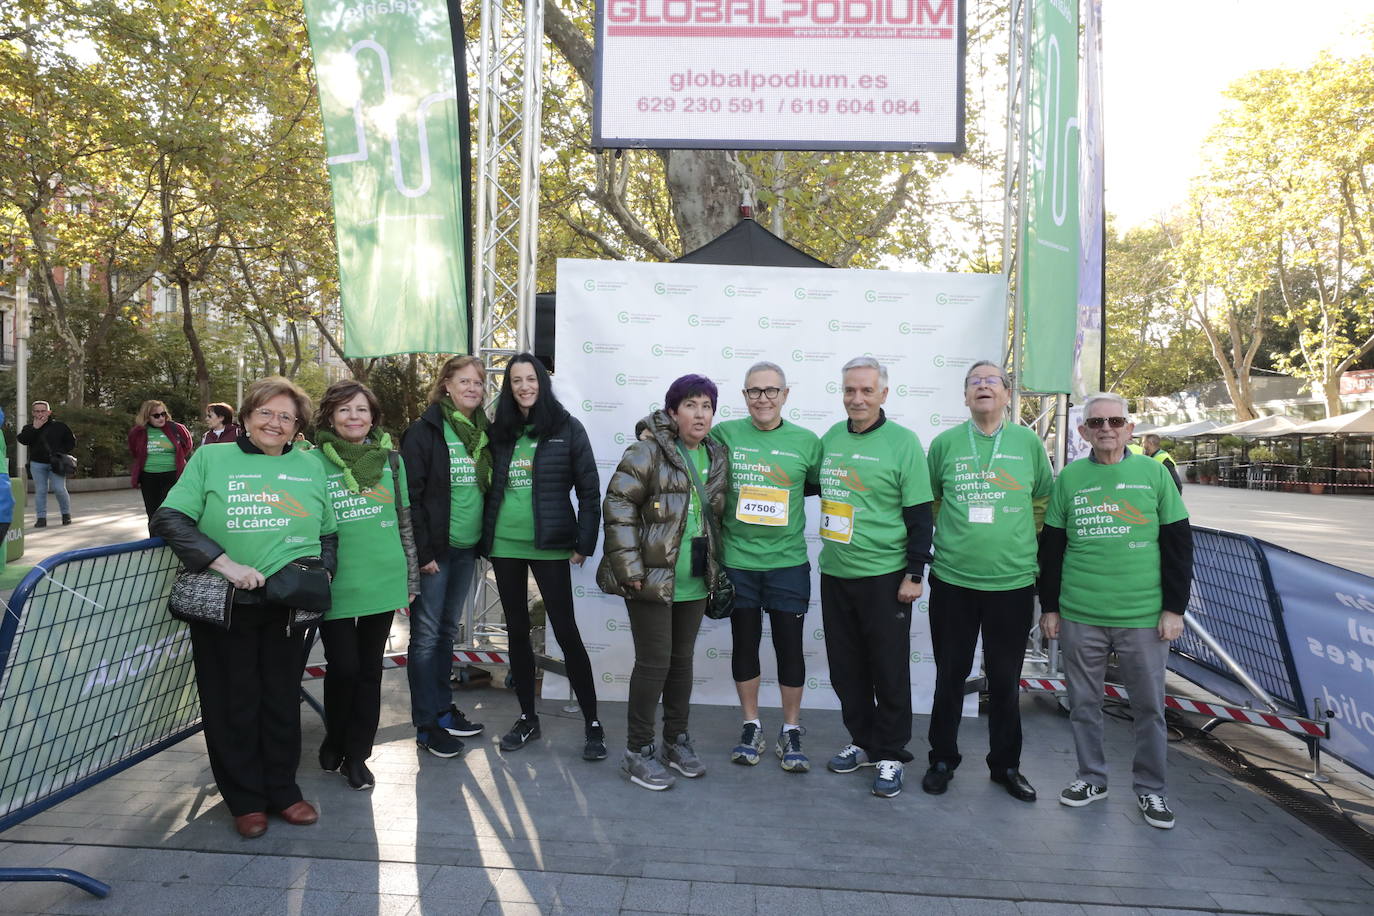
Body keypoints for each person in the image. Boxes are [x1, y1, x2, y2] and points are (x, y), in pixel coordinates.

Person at [150, 376, 338, 839]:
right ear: (247, 416)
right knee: (232, 701)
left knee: (279, 698)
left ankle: (283, 791)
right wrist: (226, 564)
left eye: (286, 416)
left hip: (288, 606)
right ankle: (245, 799)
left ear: (298, 427)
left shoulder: (311, 466)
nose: (275, 423)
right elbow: (170, 518)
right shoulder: (213, 458)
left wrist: (321, 574)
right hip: (226, 601)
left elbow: (329, 532)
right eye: (266, 413)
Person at [1039, 392, 1193, 830]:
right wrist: (1050, 607)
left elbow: (1179, 545)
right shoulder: (1068, 478)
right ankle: (1091, 778)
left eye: (1115, 420)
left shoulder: (1153, 473)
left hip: (1144, 617)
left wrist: (1173, 609)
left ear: (1130, 428)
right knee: (1083, 704)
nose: (1106, 428)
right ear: (1084, 431)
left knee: (1149, 709)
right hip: (1079, 613)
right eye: (1096, 422)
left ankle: (1151, 791)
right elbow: (1052, 547)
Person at [921, 361, 1053, 802]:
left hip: (1012, 584)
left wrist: (1012, 542)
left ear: (1007, 394)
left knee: (1004, 679)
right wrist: (963, 538)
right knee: (950, 676)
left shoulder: (1028, 442)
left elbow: (1042, 503)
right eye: (974, 382)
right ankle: (942, 759)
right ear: (964, 396)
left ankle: (1006, 766)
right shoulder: (945, 444)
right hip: (953, 581)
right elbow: (933, 502)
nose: (983, 387)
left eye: (991, 381)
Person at [597, 374, 728, 791]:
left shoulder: (716, 454)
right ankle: (638, 750)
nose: (700, 413)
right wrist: (630, 570)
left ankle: (676, 741)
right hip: (649, 580)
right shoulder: (647, 450)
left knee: (682, 663)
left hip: (693, 578)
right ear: (672, 412)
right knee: (654, 665)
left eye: (707, 405)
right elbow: (618, 506)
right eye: (691, 405)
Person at [480, 354, 604, 760]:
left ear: (542, 382)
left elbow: (589, 490)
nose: (523, 386)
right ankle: (528, 718)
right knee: (516, 631)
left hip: (549, 545)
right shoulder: (499, 431)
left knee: (565, 630)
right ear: (509, 386)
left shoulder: (567, 428)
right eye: (516, 380)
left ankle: (593, 723)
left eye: (530, 378)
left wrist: (584, 543)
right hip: (504, 545)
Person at [818, 357, 933, 799]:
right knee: (847, 668)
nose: (857, 398)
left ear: (883, 394)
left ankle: (890, 752)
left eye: (866, 390)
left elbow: (920, 518)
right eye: (850, 390)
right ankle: (863, 742)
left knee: (888, 668)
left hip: (886, 577)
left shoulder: (903, 443)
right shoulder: (830, 437)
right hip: (836, 572)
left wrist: (914, 572)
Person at [711, 361, 822, 772]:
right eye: (755, 391)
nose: (763, 398)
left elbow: (820, 484)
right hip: (738, 562)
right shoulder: (724, 435)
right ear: (744, 396)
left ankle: (791, 729)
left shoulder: (808, 442)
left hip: (788, 563)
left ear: (786, 395)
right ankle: (751, 724)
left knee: (789, 648)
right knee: (745, 644)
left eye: (771, 391)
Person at [312, 380, 420, 790]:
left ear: (372, 416)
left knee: (370, 671)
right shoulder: (312, 462)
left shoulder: (392, 461)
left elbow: (405, 520)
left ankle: (358, 754)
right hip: (336, 581)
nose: (353, 417)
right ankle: (335, 736)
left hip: (384, 576)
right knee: (344, 668)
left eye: (360, 409)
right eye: (344, 410)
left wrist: (411, 576)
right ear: (330, 416)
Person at [400, 355, 489, 758]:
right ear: (447, 385)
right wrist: (422, 552)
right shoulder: (424, 431)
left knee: (445, 635)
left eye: (478, 383)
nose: (472, 388)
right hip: (435, 553)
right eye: (464, 381)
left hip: (466, 548)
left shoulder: (483, 433)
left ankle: (442, 711)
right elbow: (411, 497)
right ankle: (426, 725)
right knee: (426, 638)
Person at [128, 400, 195, 520]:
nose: (161, 418)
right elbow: (135, 451)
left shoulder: (177, 428)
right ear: (147, 417)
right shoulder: (138, 432)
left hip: (172, 475)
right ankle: (154, 538)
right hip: (148, 477)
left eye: (163, 414)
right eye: (156, 415)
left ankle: (170, 538)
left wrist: (177, 459)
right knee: (153, 514)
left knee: (170, 512)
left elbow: (187, 446)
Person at [17, 400, 75, 528]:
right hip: (37, 464)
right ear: (33, 413)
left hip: (56, 463)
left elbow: (71, 442)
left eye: (43, 411)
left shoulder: (59, 426)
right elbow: (22, 440)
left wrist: (60, 453)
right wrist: (35, 428)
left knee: (59, 489)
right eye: (37, 411)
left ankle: (66, 514)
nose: (40, 414)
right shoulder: (29, 428)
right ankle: (41, 518)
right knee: (41, 490)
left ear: (49, 412)